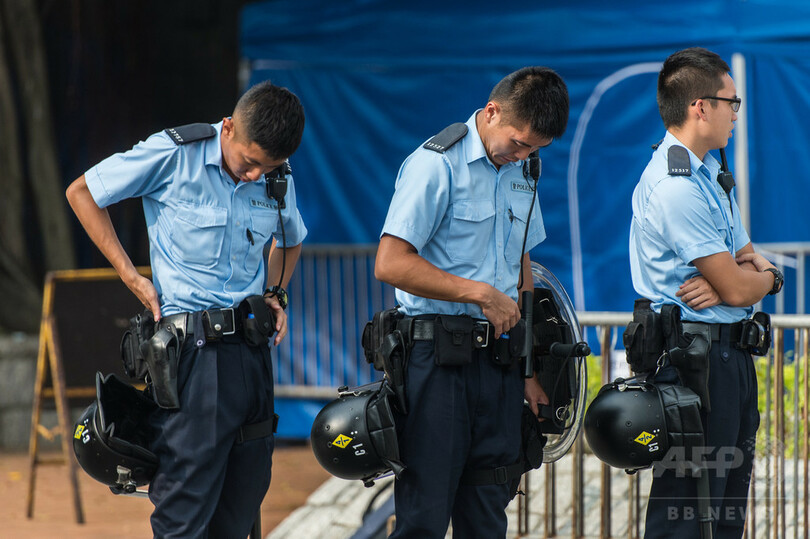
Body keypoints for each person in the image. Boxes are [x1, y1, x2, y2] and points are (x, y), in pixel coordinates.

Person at [66, 81, 307, 538]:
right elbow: (82, 192)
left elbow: (291, 238)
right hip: (193, 357)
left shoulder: (278, 175)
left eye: (268, 167)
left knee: (243, 501)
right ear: (230, 127)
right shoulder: (174, 155)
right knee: (185, 508)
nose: (256, 175)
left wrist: (276, 292)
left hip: (253, 356)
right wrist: (131, 276)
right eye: (250, 161)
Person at [374, 66, 569, 538]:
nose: (524, 155)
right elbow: (391, 263)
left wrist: (528, 369)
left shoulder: (524, 169)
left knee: (487, 511)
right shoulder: (435, 164)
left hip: (499, 364)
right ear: (492, 111)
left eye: (535, 149)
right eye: (519, 142)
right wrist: (478, 293)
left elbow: (521, 259)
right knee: (424, 513)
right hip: (437, 362)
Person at [629, 47, 783, 538]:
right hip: (693, 363)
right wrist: (749, 284)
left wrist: (751, 282)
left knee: (724, 513)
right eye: (731, 102)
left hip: (727, 359)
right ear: (701, 106)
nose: (737, 113)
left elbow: (748, 263)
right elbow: (742, 283)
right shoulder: (675, 186)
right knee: (687, 514)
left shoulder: (711, 177)